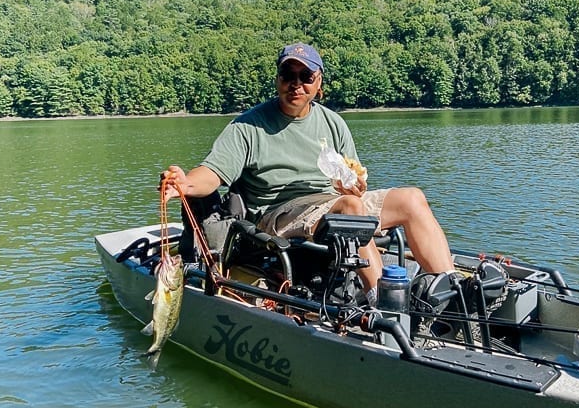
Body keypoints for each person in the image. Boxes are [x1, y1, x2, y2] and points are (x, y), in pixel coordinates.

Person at [161, 42, 459, 302]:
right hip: (277, 214)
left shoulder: (333, 123)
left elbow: (354, 182)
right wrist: (186, 184)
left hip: (331, 203)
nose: (296, 84)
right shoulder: (247, 127)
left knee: (411, 198)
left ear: (319, 83)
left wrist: (354, 185)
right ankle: (381, 303)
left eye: (306, 76)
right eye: (288, 76)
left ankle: (449, 289)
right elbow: (212, 173)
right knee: (350, 208)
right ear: (278, 80)